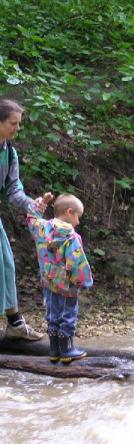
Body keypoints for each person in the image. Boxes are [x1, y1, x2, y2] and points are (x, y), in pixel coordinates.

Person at [27, 193, 93, 362]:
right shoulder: (71, 238)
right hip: (66, 287)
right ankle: (67, 349)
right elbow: (78, 263)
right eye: (78, 216)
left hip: (48, 282)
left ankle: (54, 349)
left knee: (52, 313)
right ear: (70, 212)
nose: (78, 221)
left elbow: (31, 217)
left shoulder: (42, 228)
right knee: (67, 314)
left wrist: (42, 202)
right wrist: (84, 282)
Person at [0, 98, 46, 340]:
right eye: (13, 123)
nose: (17, 128)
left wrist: (32, 203)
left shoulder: (9, 152)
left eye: (18, 124)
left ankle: (15, 325)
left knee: (6, 264)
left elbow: (13, 190)